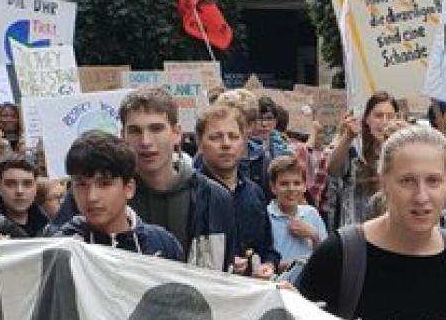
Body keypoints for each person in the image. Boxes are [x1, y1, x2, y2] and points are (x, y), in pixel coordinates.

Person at [298, 126, 446, 320]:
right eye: (407, 181)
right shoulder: (338, 256)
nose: (421, 196)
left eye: (433, 181)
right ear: (384, 182)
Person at [118, 87, 229, 269]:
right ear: (123, 136)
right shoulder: (107, 196)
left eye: (156, 129)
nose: (146, 141)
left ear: (177, 134)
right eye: (135, 131)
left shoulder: (214, 198)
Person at [45, 132, 184, 257]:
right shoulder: (60, 248)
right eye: (81, 184)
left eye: (104, 184)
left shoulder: (162, 244)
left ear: (129, 188)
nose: (92, 197)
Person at [194, 103, 276, 275]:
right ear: (200, 143)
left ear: (244, 143)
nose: (226, 144)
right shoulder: (190, 195)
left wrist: (267, 266)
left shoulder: (255, 193)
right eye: (216, 137)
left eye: (233, 137)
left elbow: (268, 249)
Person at [323, 92, 400, 229]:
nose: (384, 121)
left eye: (390, 116)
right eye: (378, 115)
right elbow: (332, 169)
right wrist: (348, 136)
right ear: (366, 119)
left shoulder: (402, 152)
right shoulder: (355, 150)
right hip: (357, 233)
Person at [266, 154, 324, 271]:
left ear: (304, 187)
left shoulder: (311, 214)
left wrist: (314, 235)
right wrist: (276, 265)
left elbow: (326, 254)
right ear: (273, 187)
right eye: (284, 184)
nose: (291, 189)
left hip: (306, 280)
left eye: (297, 183)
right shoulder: (266, 216)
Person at [0, 157, 48, 238]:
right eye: (10, 184)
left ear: (36, 187)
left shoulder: (48, 225)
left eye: (27, 184)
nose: (19, 191)